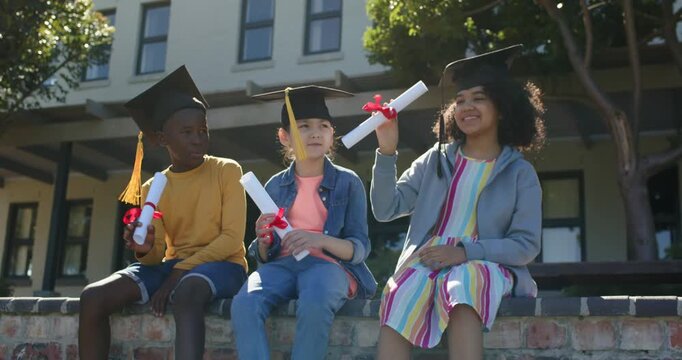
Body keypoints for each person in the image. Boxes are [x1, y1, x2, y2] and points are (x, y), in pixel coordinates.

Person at [371, 45, 546, 360]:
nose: (467, 106)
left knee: (464, 281)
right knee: (401, 290)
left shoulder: (520, 172)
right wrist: (386, 151)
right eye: (460, 100)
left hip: (488, 264)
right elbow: (386, 209)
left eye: (479, 98)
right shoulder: (436, 159)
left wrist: (465, 252)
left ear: (502, 106)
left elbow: (526, 245)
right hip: (428, 262)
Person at [78, 65, 248, 359]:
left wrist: (180, 272)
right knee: (92, 296)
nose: (198, 139)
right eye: (187, 132)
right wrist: (144, 248)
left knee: (187, 291)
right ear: (161, 138)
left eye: (203, 131)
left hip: (224, 265)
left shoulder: (226, 170)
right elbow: (157, 256)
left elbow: (232, 240)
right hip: (172, 266)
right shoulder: (152, 187)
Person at [230, 85, 377, 359]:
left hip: (329, 267)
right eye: (304, 126)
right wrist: (263, 239)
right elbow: (264, 255)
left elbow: (359, 248)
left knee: (315, 301)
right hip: (282, 267)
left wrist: (318, 240)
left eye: (323, 125)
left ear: (332, 133)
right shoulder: (274, 185)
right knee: (245, 302)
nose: (315, 132)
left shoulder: (348, 183)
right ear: (284, 136)